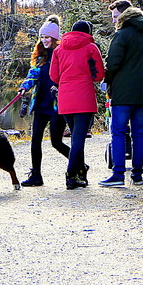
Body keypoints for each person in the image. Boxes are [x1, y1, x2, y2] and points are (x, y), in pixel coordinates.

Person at [49, 20, 105, 190]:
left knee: (76, 137)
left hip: (65, 98)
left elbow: (54, 76)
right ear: (88, 32)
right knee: (78, 139)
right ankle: (71, 175)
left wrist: (66, 82)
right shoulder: (91, 48)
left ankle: (81, 172)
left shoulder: (59, 49)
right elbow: (99, 75)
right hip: (84, 97)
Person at [16, 15, 70, 186]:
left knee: (56, 141)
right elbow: (33, 74)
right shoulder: (40, 55)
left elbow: (67, 75)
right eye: (42, 37)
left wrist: (60, 87)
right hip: (40, 103)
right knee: (35, 140)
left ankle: (78, 164)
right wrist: (24, 87)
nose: (44, 40)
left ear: (54, 38)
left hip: (56, 105)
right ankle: (36, 175)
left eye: (47, 37)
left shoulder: (62, 53)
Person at [99, 0, 143, 187]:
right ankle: (138, 175)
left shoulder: (122, 35)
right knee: (139, 132)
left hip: (123, 93)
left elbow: (113, 63)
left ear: (124, 15)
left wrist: (106, 79)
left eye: (115, 16)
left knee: (118, 132)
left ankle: (118, 174)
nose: (113, 20)